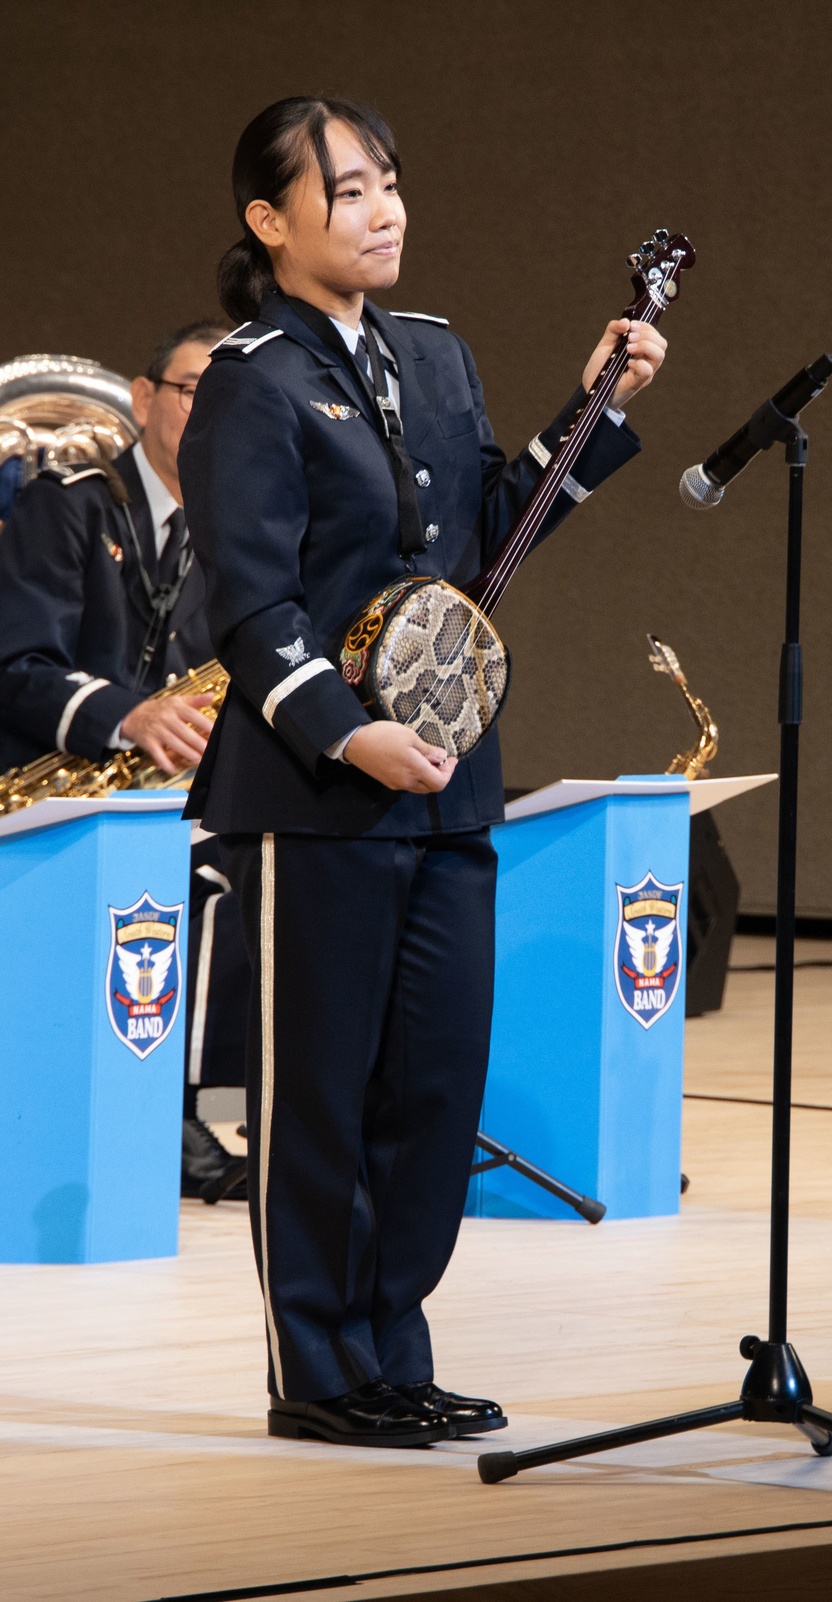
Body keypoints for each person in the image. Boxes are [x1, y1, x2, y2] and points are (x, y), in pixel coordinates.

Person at [179, 94, 667, 1449]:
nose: (381, 209)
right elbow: (251, 606)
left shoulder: (436, 358)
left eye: (389, 181)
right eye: (345, 191)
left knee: (433, 1085)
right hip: (318, 793)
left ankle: (395, 1345)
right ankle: (321, 1373)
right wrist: (347, 728)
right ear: (270, 222)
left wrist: (595, 408)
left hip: (451, 782)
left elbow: (490, 546)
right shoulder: (250, 378)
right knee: (323, 1094)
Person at [0, 322, 251, 1202]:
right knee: (212, 880)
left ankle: (273, 1104)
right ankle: (168, 1109)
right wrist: (129, 716)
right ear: (143, 400)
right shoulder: (66, 502)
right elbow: (17, 664)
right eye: (194, 391)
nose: (213, 415)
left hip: (163, 796)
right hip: (47, 786)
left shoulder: (238, 529)